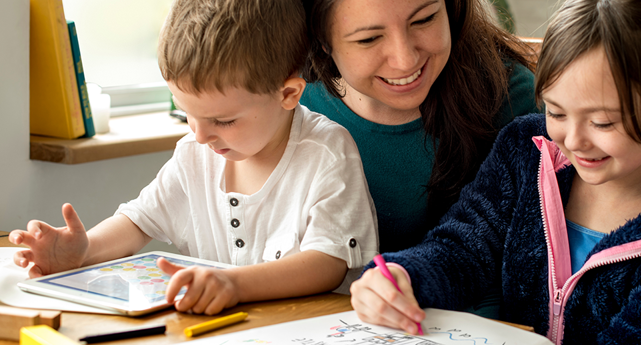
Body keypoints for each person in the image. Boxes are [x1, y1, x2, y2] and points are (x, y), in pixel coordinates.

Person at [350, 0, 641, 343]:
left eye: (603, 122)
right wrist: (402, 277)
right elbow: (464, 247)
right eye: (556, 112)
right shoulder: (527, 149)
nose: (573, 140)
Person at [9, 0, 377, 316]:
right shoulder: (194, 153)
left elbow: (327, 264)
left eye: (223, 120)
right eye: (187, 113)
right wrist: (84, 251)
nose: (200, 135)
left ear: (288, 93)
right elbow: (139, 221)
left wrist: (234, 284)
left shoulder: (327, 152)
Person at [301, 0, 540, 255]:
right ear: (322, 41)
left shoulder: (509, 100)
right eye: (369, 38)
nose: (405, 60)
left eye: (424, 20)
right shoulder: (286, 98)